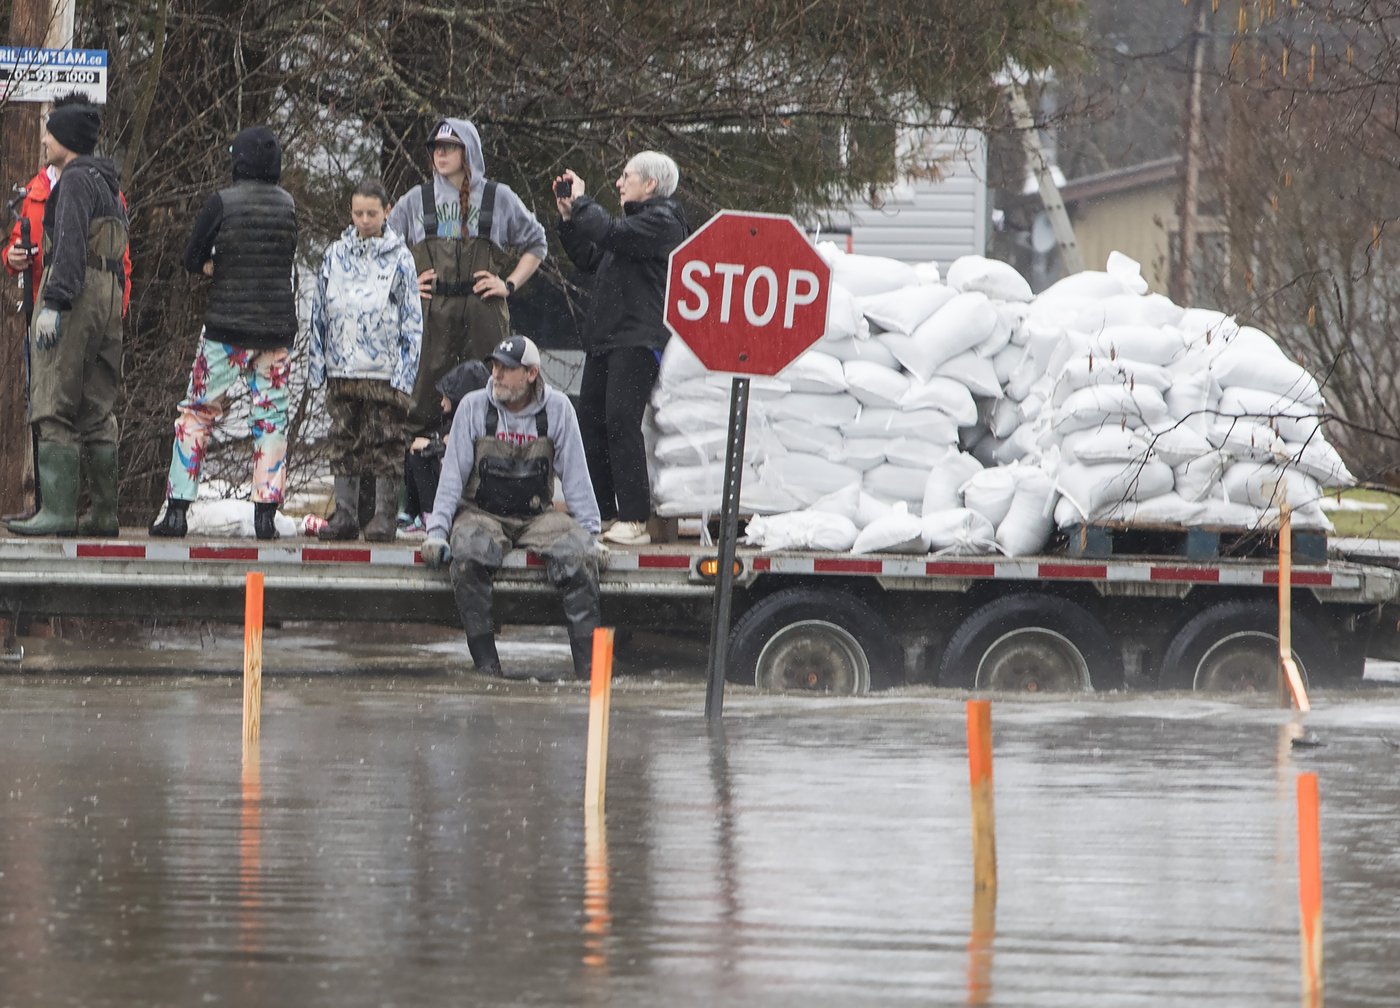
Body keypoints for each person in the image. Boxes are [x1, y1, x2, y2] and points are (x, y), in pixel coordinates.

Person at [421, 335, 602, 682]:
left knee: (580, 557)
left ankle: (589, 675)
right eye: (495, 366)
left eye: (507, 369)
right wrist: (437, 533)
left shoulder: (559, 408)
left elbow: (577, 479)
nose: (496, 375)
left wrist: (592, 535)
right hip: (482, 514)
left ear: (532, 374)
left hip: (538, 517)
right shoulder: (473, 406)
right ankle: (488, 669)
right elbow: (452, 477)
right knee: (469, 554)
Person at [148, 126, 298, 541]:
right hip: (275, 331)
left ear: (239, 161)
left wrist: (217, 265)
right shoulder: (287, 206)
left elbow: (191, 257)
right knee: (270, 419)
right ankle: (265, 515)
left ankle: (178, 511)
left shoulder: (222, 202)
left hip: (226, 330)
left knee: (198, 413)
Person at [6, 93, 128, 538]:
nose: (42, 138)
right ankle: (104, 515)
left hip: (75, 296)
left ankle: (56, 512)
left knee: (52, 399)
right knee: (97, 405)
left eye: (49, 131)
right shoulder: (107, 181)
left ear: (67, 139)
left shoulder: (74, 180)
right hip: (109, 297)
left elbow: (71, 248)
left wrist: (53, 303)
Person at [387, 118, 548, 448]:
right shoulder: (416, 200)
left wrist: (509, 284)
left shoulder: (498, 197)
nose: (440, 154)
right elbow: (382, 250)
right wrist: (404, 285)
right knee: (421, 406)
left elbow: (537, 243)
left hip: (483, 315)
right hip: (431, 316)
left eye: (450, 147)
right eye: (435, 148)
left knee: (494, 399)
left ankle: (489, 486)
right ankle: (420, 491)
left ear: (469, 151)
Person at [555, 151, 688, 547]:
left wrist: (582, 201)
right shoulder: (628, 228)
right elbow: (590, 256)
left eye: (626, 176)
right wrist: (568, 218)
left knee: (621, 421)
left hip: (638, 339)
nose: (618, 182)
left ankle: (633, 518)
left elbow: (608, 232)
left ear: (650, 184)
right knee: (590, 423)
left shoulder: (663, 222)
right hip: (606, 340)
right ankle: (604, 512)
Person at [307, 178, 423, 542]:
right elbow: (319, 310)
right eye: (358, 213)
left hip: (386, 369)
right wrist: (318, 363)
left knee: (387, 440)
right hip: (342, 366)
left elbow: (412, 317)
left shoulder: (401, 257)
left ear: (387, 212)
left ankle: (384, 516)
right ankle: (345, 514)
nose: (364, 219)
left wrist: (406, 371)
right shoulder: (335, 254)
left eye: (372, 213)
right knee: (344, 438)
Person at [402, 358, 491, 537]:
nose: (442, 402)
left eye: (446, 397)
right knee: (416, 451)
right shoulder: (455, 422)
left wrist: (432, 447)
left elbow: (464, 454)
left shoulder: (478, 421)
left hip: (474, 494)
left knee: (421, 456)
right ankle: (413, 512)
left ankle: (430, 514)